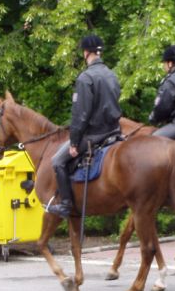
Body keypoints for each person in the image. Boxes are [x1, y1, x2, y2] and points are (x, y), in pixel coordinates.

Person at [48, 34, 122, 218]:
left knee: (57, 161)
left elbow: (80, 115)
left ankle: (65, 205)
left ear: (86, 53)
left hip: (94, 134)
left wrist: (74, 142)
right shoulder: (112, 75)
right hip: (114, 131)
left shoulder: (85, 78)